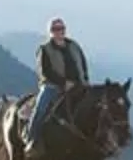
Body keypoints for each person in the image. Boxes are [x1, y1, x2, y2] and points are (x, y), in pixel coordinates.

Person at [28, 17, 88, 145]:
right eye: (55, 29)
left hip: (78, 85)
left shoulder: (74, 46)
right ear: (50, 31)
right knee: (40, 108)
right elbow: (45, 72)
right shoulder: (45, 49)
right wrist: (63, 83)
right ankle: (32, 139)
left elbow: (83, 64)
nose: (59, 32)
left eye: (61, 28)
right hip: (53, 87)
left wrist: (85, 80)